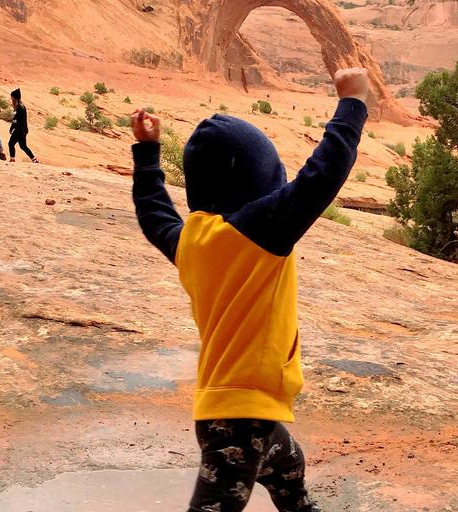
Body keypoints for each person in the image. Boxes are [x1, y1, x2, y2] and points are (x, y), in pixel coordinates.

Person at [129, 67, 369, 512]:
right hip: (239, 419)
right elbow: (323, 175)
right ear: (258, 181)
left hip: (234, 409)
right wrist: (352, 103)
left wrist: (148, 154)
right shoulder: (260, 231)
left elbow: (153, 213)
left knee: (289, 464)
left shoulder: (193, 241)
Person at [8, 89, 39, 163]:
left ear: (14, 97)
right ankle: (34, 159)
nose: (11, 99)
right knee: (23, 146)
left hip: (19, 130)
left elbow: (16, 119)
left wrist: (12, 127)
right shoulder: (22, 106)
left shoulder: (19, 107)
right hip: (23, 130)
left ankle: (12, 159)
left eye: (11, 97)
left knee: (11, 143)